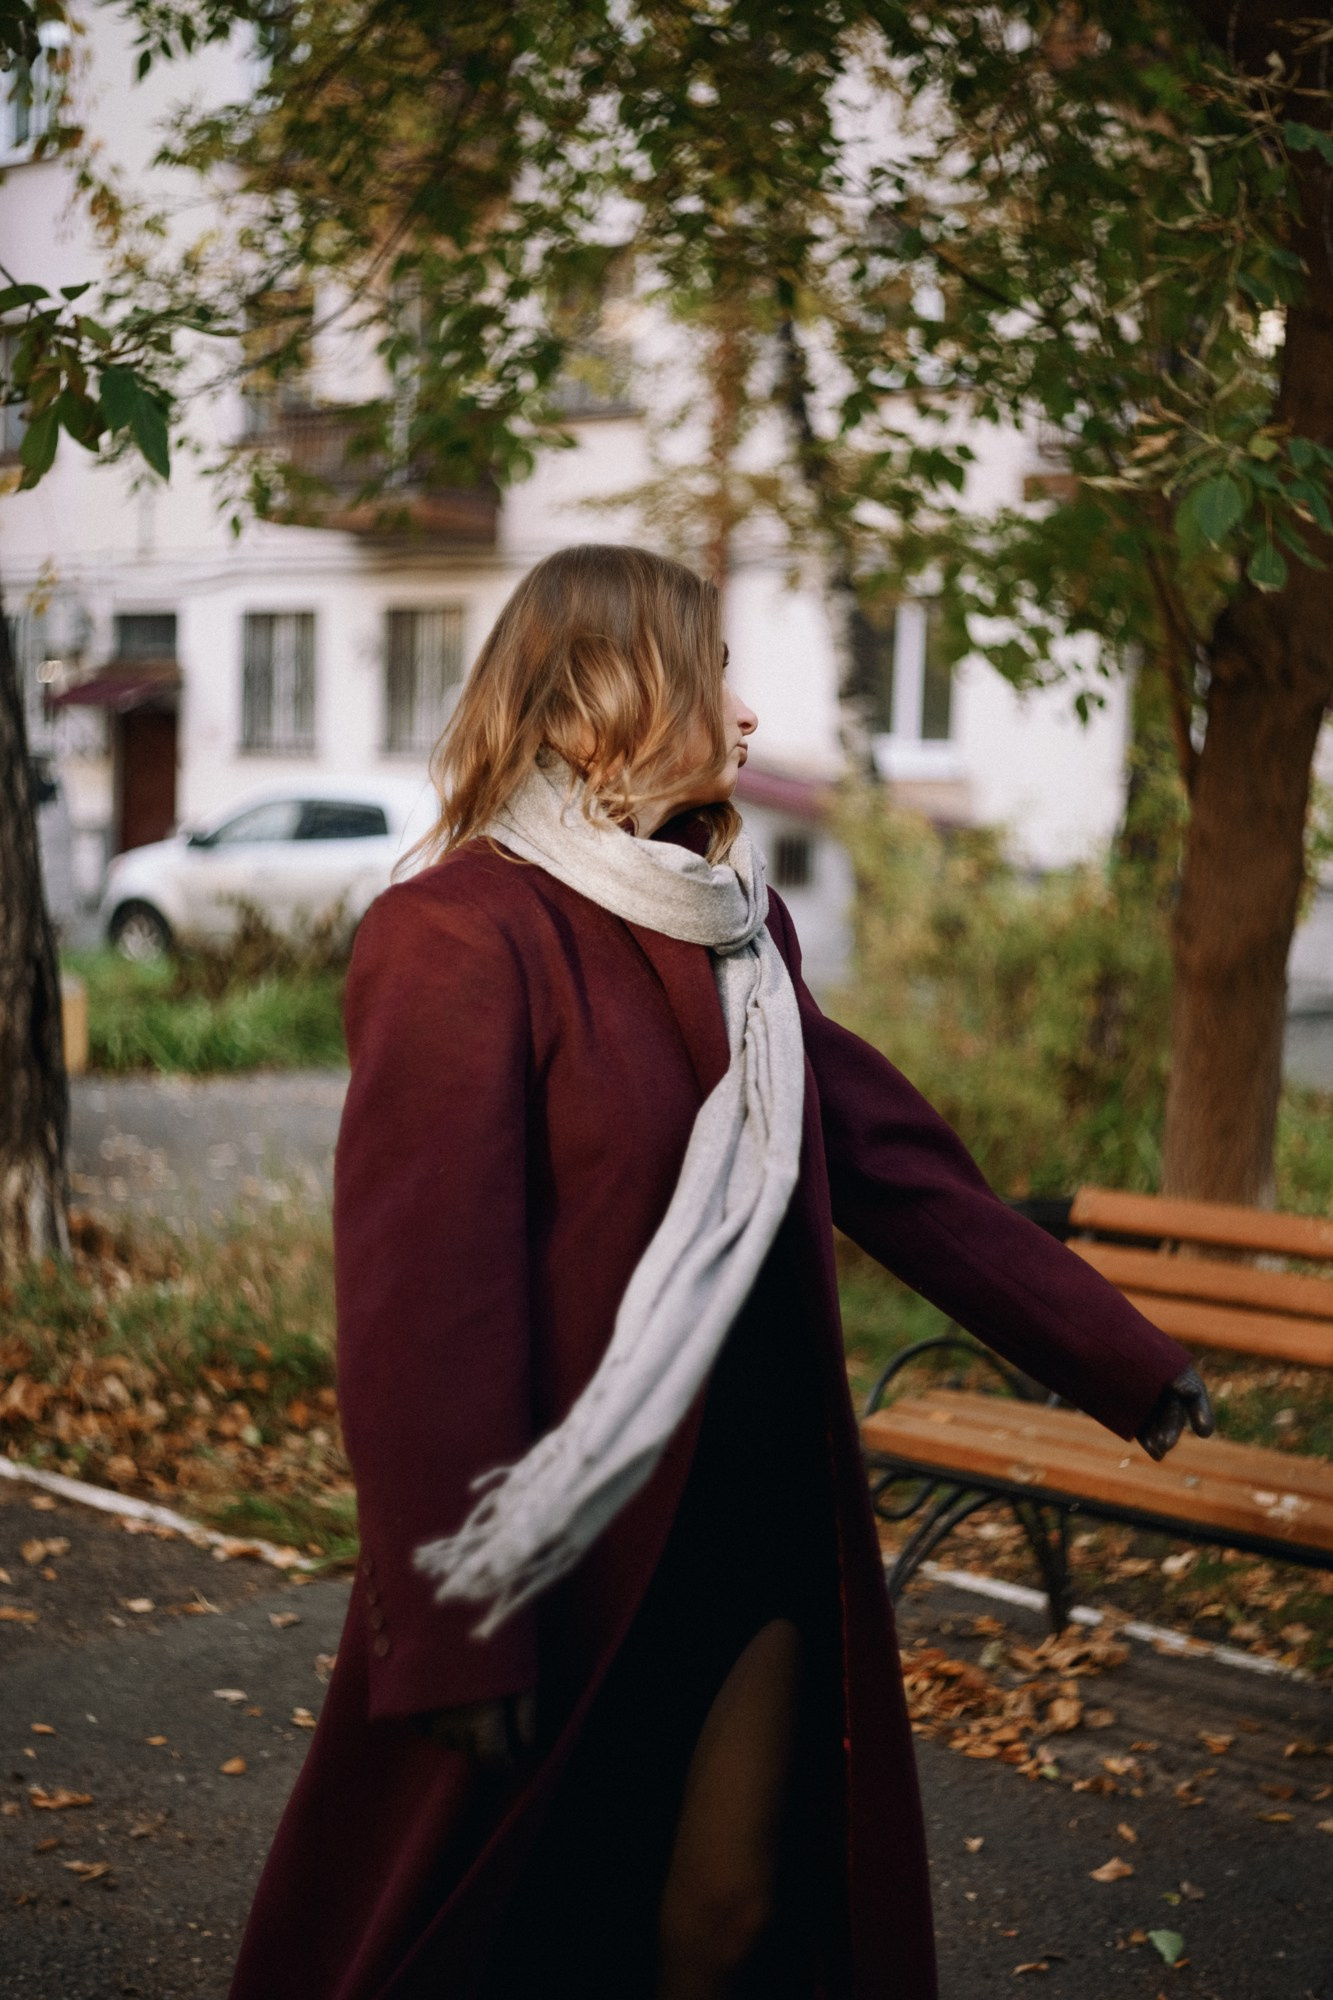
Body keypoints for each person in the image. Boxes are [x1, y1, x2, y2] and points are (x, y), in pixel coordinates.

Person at [229, 544, 1212, 2000]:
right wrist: (447, 1629)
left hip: (754, 1510)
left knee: (731, 1914)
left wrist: (1121, 1359)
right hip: (568, 1538)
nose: (743, 717)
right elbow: (421, 1311)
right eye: (713, 677)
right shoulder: (456, 935)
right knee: (510, 1913)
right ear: (587, 702)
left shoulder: (739, 936)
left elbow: (892, 1164)